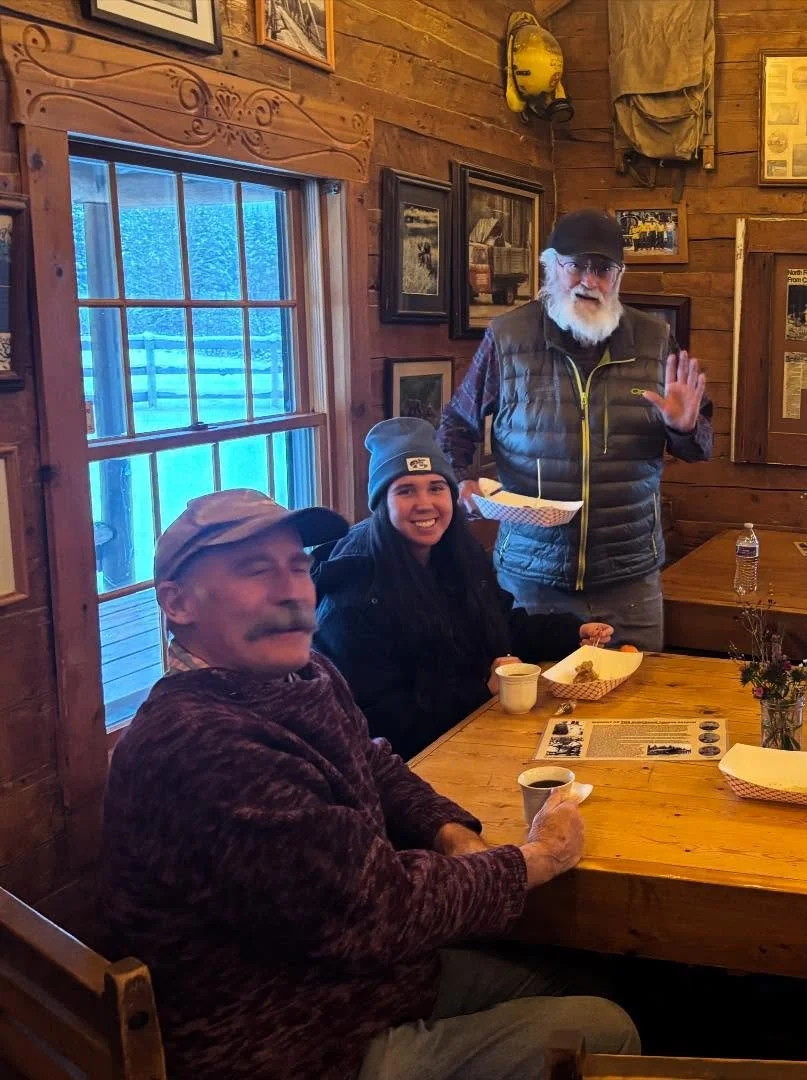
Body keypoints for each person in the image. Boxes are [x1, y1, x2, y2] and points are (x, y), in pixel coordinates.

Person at [102, 489, 639, 1080]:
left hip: (356, 984)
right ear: (177, 603)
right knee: (604, 1029)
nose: (290, 590)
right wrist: (535, 858)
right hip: (291, 1042)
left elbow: (371, 759)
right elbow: (377, 911)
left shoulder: (300, 673)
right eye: (255, 571)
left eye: (297, 566)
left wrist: (449, 830)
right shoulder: (202, 746)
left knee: (575, 976)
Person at [438, 208, 713, 652]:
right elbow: (455, 422)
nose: (590, 280)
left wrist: (684, 428)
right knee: (532, 713)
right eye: (577, 266)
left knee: (638, 715)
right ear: (550, 267)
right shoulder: (508, 338)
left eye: (603, 269)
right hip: (531, 582)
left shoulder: (655, 340)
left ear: (618, 276)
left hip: (629, 581)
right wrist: (459, 480)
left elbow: (701, 447)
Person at [313, 417, 613, 760]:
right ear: (382, 503)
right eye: (406, 490)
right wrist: (480, 692)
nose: (425, 503)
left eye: (436, 487)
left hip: (478, 731)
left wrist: (571, 632)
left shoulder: (456, 550)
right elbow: (381, 721)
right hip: (412, 767)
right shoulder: (352, 589)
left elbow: (499, 626)